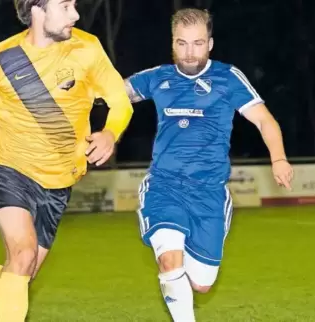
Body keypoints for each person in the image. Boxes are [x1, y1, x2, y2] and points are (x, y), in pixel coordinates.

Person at [0, 0, 133, 321]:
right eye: (65, 6)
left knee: (20, 273)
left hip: (59, 184)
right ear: (38, 9)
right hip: (11, 170)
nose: (75, 15)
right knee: (22, 256)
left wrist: (109, 133)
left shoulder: (87, 48)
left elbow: (121, 102)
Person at [124, 8, 293, 322]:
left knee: (202, 283)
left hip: (209, 192)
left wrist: (278, 158)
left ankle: (184, 259)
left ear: (210, 44)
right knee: (170, 259)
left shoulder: (228, 78)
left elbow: (265, 121)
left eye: (198, 43)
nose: (190, 52)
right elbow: (113, 95)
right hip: (165, 185)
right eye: (182, 43)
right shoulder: (157, 78)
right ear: (172, 44)